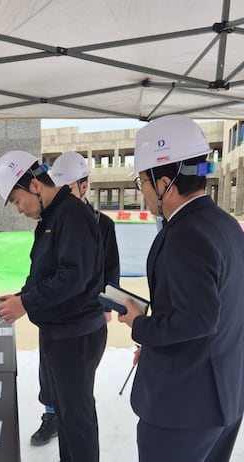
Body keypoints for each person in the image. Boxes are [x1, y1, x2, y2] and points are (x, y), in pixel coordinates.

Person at [117, 114, 244, 462]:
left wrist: (140, 325)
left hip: (184, 408)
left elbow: (197, 321)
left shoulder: (185, 235)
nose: (142, 192)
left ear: (165, 183)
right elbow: (220, 309)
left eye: (143, 181)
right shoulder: (225, 225)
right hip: (225, 396)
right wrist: (157, 345)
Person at [0, 150, 107, 462]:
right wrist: (20, 296)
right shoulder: (52, 217)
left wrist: (25, 303)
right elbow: (45, 273)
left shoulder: (72, 216)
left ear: (35, 186)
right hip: (61, 333)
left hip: (76, 335)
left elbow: (73, 277)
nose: (19, 209)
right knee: (66, 416)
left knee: (77, 419)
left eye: (17, 201)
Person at [29, 151, 121, 447]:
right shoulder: (51, 220)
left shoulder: (101, 224)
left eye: (70, 187)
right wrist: (30, 298)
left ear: (84, 185)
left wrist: (107, 306)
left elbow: (109, 269)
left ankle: (65, 418)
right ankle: (51, 415)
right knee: (50, 375)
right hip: (55, 316)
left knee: (76, 395)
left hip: (82, 319)